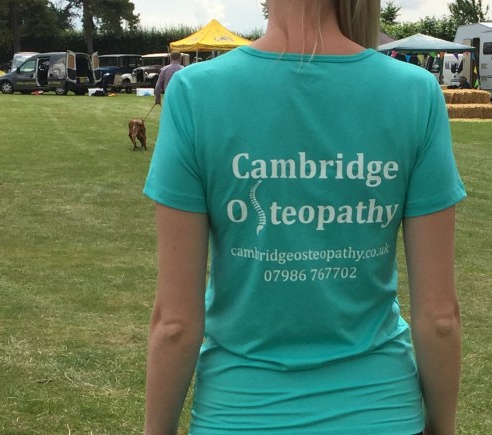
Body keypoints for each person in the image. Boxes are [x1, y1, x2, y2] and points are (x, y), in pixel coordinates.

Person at [142, 0, 465, 434]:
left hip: (241, 414)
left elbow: (176, 324)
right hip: (379, 411)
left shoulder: (196, 93)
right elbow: (440, 318)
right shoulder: (415, 92)